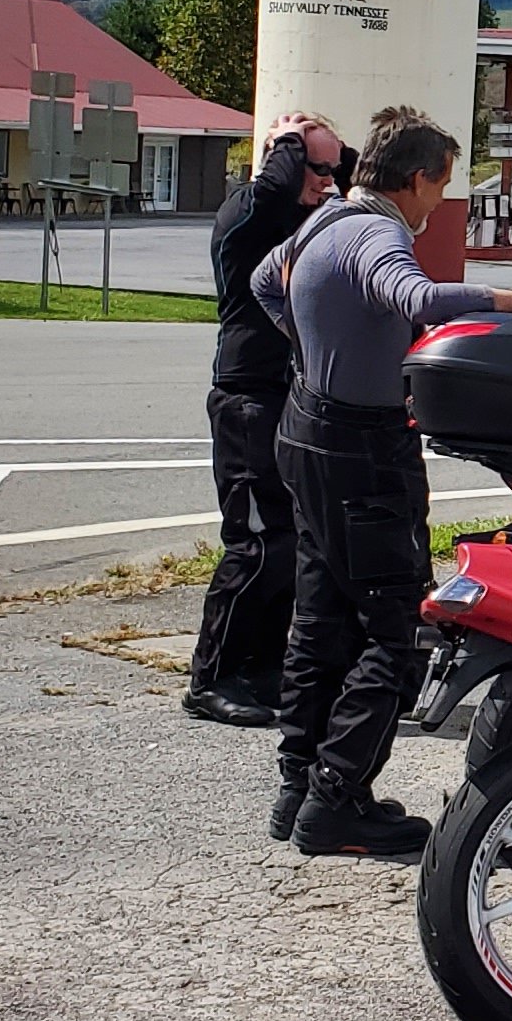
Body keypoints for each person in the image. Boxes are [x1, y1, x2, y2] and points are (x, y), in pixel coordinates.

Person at [258, 105, 512, 860]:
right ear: (413, 179)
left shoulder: (323, 222)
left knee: (321, 618)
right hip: (361, 449)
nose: (439, 202)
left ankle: (298, 785)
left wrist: (317, 353)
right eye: (440, 185)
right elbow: (418, 299)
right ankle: (336, 800)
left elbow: (262, 283)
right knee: (397, 628)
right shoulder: (376, 233)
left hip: (306, 430)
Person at [182, 109, 344, 727]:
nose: (327, 180)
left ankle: (263, 667)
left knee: (290, 543)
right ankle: (211, 679)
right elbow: (275, 187)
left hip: (288, 396)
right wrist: (287, 143)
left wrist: (325, 156)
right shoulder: (247, 213)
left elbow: (358, 180)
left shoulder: (305, 218)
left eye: (331, 168)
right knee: (255, 543)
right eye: (314, 167)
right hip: (246, 398)